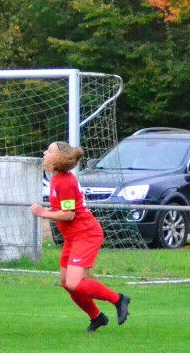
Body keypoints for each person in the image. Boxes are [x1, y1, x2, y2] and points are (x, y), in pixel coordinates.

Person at [30, 141, 130, 332]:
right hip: (73, 237)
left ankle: (119, 299)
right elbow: (64, 210)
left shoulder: (65, 181)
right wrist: (48, 211)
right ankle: (97, 317)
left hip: (86, 235)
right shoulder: (58, 179)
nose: (44, 153)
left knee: (74, 283)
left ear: (58, 158)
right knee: (66, 283)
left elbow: (69, 214)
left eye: (49, 151)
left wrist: (44, 213)